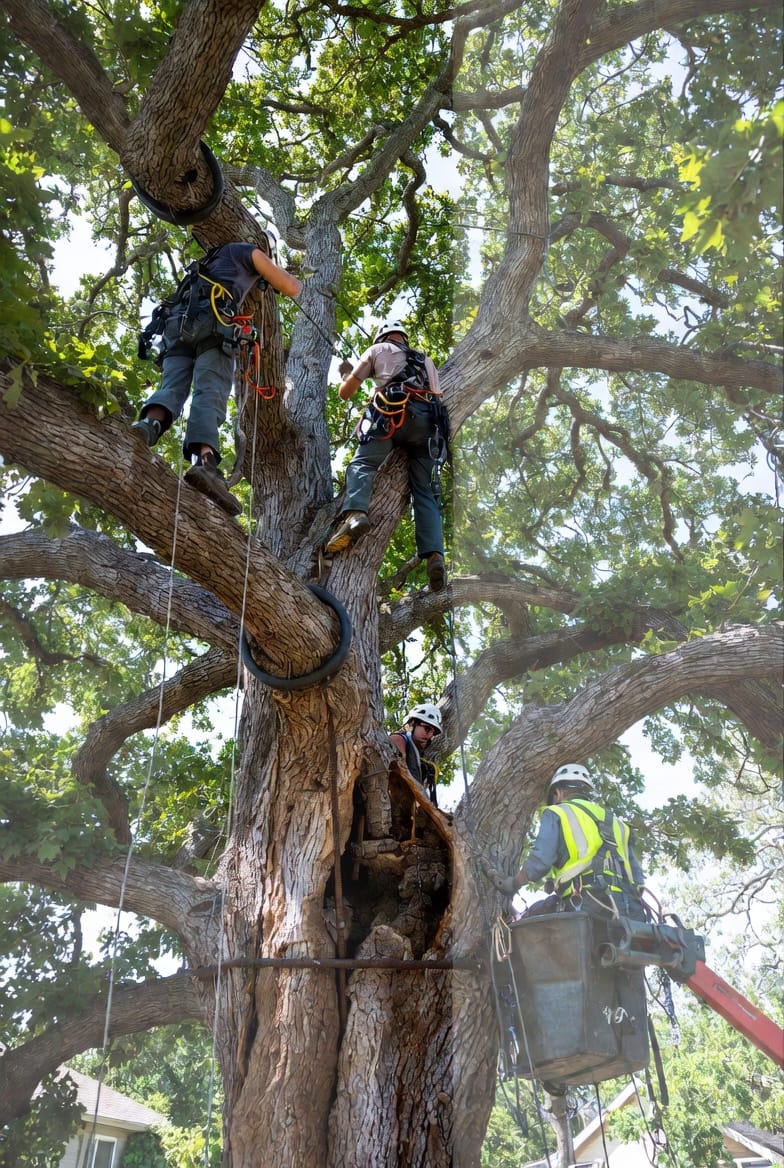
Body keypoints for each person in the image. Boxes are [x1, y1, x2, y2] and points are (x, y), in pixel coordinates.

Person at [132, 240, 302, 516]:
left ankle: (148, 425)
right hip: (213, 325)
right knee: (210, 390)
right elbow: (291, 287)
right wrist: (279, 272)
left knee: (172, 386)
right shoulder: (249, 251)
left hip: (177, 326)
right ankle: (205, 462)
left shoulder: (210, 261)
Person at [325, 321, 449, 591]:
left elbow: (346, 393)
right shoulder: (426, 360)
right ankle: (435, 555)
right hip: (427, 427)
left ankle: (356, 514)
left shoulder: (377, 348)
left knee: (364, 464)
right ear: (404, 337)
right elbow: (438, 396)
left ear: (383, 335)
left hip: (390, 417)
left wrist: (349, 375)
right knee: (425, 492)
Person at [487, 763, 646, 921]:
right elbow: (638, 880)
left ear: (558, 793)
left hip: (589, 904)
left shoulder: (558, 812)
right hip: (632, 910)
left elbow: (540, 861)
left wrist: (514, 883)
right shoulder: (619, 825)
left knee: (528, 924)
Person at [389, 703, 442, 806]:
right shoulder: (398, 739)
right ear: (413, 723)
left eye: (433, 732)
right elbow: (400, 768)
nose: (429, 734)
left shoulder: (417, 757)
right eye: (426, 728)